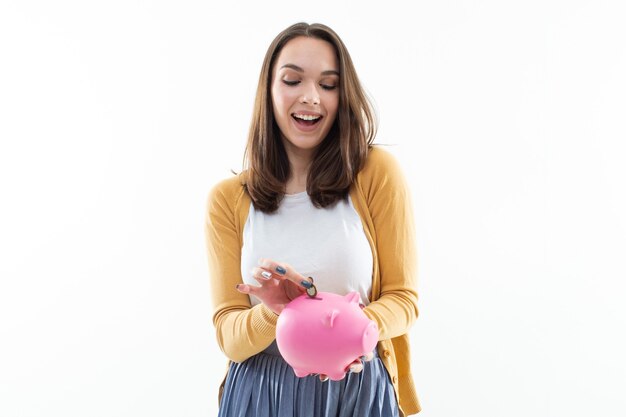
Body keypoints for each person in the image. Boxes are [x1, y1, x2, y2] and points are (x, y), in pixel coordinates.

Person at [204, 22, 421, 417]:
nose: (310, 97)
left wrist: (349, 333)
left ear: (344, 95)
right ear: (269, 90)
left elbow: (404, 300)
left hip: (357, 387)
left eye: (328, 84)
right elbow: (228, 335)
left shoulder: (376, 173)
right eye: (292, 80)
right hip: (259, 394)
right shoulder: (228, 199)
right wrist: (274, 310)